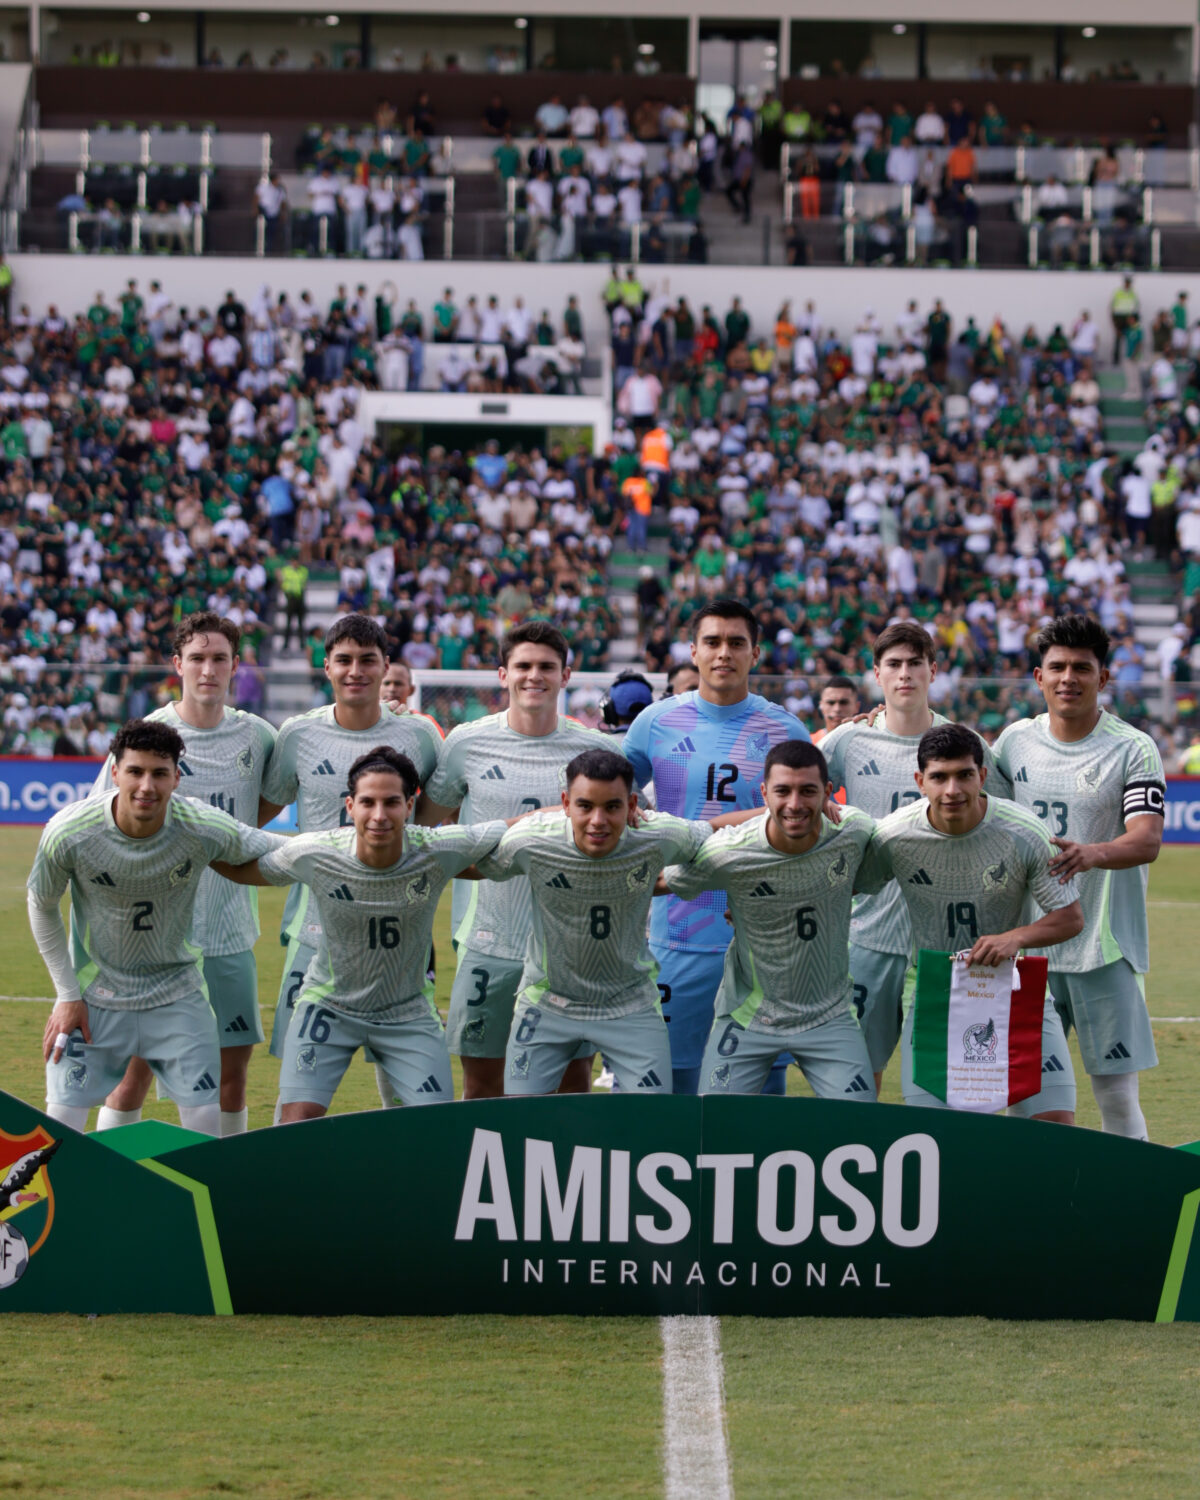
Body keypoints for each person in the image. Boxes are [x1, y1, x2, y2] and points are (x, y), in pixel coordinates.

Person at [215, 748, 508, 1118]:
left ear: (409, 806)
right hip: (329, 1007)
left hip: (408, 1014)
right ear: (350, 806)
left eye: (392, 802)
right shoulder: (317, 852)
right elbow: (244, 870)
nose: (379, 815)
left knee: (435, 1128)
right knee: (296, 1123)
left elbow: (517, 827)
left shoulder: (439, 848)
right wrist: (196, 851)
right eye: (368, 802)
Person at [30, 719, 281, 1137]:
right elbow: (40, 905)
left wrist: (347, 847)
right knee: (59, 1126)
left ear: (176, 777)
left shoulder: (201, 824)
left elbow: (270, 847)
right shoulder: (70, 831)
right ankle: (92, 1182)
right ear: (115, 772)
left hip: (178, 995)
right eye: (135, 771)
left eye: (159, 773)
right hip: (96, 998)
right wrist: (67, 995)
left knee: (206, 1125)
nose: (147, 786)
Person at [91, 613, 276, 1138]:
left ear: (236, 666)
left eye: (219, 658)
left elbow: (261, 810)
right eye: (197, 658)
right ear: (177, 664)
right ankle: (110, 1173)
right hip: (156, 940)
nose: (208, 669)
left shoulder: (258, 736)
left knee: (231, 1075)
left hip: (229, 932)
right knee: (134, 1074)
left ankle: (225, 1178)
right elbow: (104, 821)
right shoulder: (149, 735)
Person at [622, 598, 811, 1095]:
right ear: (693, 651)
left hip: (759, 938)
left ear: (755, 653)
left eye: (736, 643)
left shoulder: (785, 730)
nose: (723, 652)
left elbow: (808, 823)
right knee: (670, 1083)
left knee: (758, 1088)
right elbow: (613, 802)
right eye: (712, 642)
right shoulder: (655, 723)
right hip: (676, 932)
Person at [415, 622, 611, 1100]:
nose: (534, 676)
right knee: (483, 1086)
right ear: (503, 674)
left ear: (566, 675)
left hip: (570, 949)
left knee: (571, 1086)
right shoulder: (467, 743)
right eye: (523, 666)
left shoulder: (598, 750)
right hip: (489, 942)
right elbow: (423, 826)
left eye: (547, 666)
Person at [257, 614, 443, 1113]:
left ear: (386, 666)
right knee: (299, 1086)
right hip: (315, 928)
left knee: (405, 1079)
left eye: (367, 660)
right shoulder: (298, 734)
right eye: (344, 659)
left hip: (400, 929)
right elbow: (257, 814)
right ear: (327, 667)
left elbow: (433, 819)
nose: (355, 670)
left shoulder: (420, 736)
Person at [994, 615, 1165, 1139]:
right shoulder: (1013, 743)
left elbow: (1147, 840)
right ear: (1039, 677)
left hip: (1103, 949)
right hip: (1030, 949)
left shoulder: (1133, 748)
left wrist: (1092, 854)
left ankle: (1130, 1189)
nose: (1069, 678)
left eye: (1082, 668)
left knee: (1116, 1097)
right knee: (1027, 1099)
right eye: (1058, 667)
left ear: (1102, 678)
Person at [859, 723, 1084, 1118]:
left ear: (982, 776)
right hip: (934, 992)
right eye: (939, 777)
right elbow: (842, 883)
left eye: (964, 775)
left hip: (1015, 988)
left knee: (1055, 1125)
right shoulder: (893, 835)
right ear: (920, 781)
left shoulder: (1025, 831)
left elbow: (1070, 918)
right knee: (936, 1135)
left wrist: (1015, 937)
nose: (953, 790)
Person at [821, 623, 1005, 1094]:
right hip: (870, 933)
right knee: (859, 1077)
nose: (905, 674)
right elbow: (801, 795)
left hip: (949, 939)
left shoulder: (966, 744)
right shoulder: (848, 740)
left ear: (933, 671)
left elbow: (1001, 820)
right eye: (894, 665)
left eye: (915, 663)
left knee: (950, 1081)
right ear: (877, 674)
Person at [478, 749, 712, 1095]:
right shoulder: (531, 839)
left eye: (612, 807)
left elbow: (723, 847)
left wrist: (733, 897)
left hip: (630, 1004)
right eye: (585, 806)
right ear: (565, 803)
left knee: (654, 1117)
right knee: (520, 1116)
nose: (598, 820)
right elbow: (466, 861)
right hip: (548, 1002)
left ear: (632, 805)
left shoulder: (660, 833)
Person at [666, 740, 878, 1099]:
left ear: (828, 791)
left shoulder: (853, 830)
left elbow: (871, 870)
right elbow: (658, 880)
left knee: (860, 1123)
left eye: (808, 791)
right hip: (748, 1016)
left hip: (830, 1017)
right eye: (782, 791)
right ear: (764, 793)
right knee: (713, 1123)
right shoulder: (730, 850)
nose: (794, 804)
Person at [813, 675, 860, 744]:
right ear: (821, 706)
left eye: (843, 702)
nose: (837, 709)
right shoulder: (809, 742)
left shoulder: (867, 742)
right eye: (831, 703)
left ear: (856, 707)